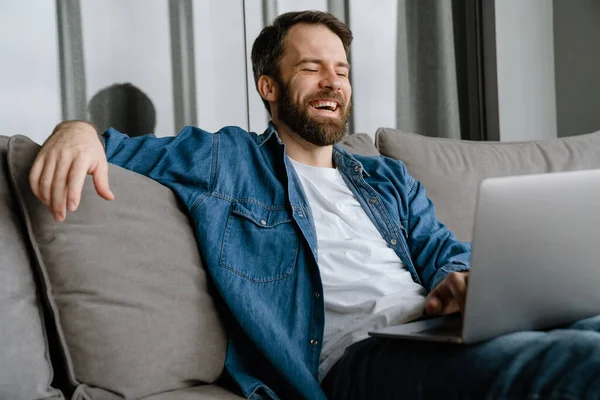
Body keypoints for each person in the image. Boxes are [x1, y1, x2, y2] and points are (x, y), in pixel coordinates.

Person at [29, 10, 600, 400]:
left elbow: (441, 250)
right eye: (311, 68)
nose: (333, 82)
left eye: (342, 70)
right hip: (357, 361)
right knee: (571, 366)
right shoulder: (225, 159)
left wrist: (460, 280)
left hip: (432, 331)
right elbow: (110, 145)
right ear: (269, 87)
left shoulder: (386, 178)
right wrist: (75, 129)